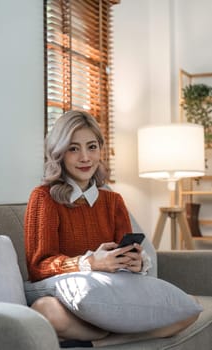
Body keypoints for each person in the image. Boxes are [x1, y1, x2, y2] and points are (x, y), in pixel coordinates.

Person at [24, 110, 199, 348]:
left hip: (109, 296)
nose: (85, 157)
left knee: (189, 309)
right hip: (67, 299)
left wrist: (135, 262)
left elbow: (126, 252)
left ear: (101, 150)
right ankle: (116, 335)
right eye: (74, 148)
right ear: (59, 153)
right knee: (45, 310)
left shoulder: (113, 201)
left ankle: (103, 341)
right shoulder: (44, 198)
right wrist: (90, 263)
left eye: (92, 147)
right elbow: (38, 266)